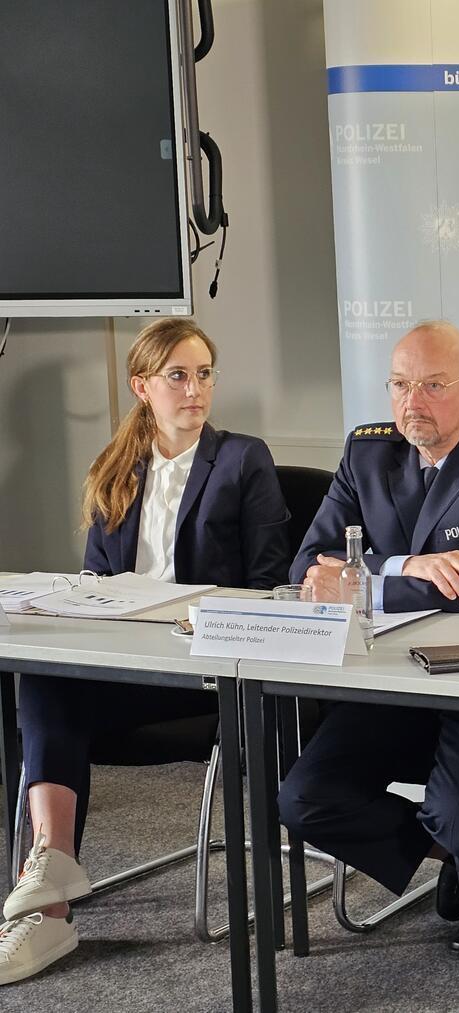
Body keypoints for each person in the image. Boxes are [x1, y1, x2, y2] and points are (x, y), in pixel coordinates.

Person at [1, 318, 290, 985]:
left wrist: (201, 614)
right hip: (125, 663)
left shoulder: (243, 459)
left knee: (51, 695)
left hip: (200, 671)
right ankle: (50, 878)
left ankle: (46, 896)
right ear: (142, 385)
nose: (196, 389)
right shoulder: (115, 465)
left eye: (205, 373)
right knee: (43, 682)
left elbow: (271, 582)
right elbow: (95, 584)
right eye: (179, 375)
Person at [278, 320, 459, 954]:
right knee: (305, 800)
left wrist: (363, 577)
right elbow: (306, 568)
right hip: (389, 677)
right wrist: (407, 566)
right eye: (401, 385)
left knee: (457, 814)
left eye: (434, 385)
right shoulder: (368, 450)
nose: (413, 403)